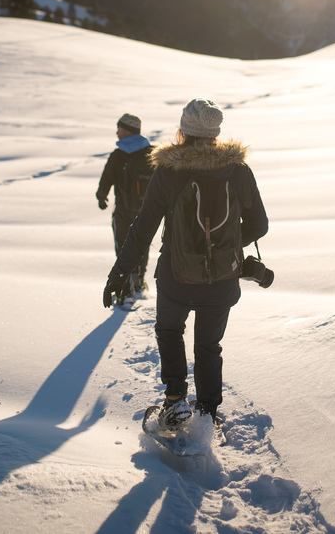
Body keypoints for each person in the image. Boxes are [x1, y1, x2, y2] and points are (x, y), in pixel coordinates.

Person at [104, 98, 268, 428]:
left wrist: (119, 272)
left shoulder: (169, 171)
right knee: (209, 345)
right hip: (222, 281)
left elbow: (143, 227)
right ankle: (207, 412)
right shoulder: (238, 170)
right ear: (215, 132)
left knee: (168, 331)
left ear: (183, 130)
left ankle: (176, 401)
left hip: (176, 278)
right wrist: (227, 246)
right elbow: (259, 224)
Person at [96, 113, 154, 303]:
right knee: (142, 245)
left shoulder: (119, 155)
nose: (117, 132)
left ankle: (126, 285)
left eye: (119, 128)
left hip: (123, 210)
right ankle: (138, 282)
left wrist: (101, 196)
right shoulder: (150, 153)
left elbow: (107, 178)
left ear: (127, 130)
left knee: (122, 246)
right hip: (147, 211)